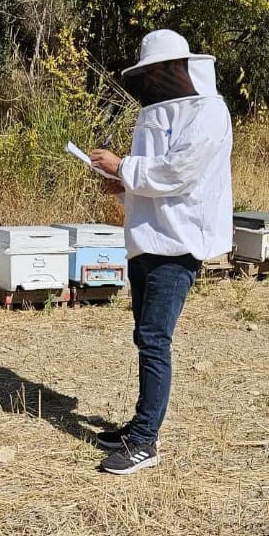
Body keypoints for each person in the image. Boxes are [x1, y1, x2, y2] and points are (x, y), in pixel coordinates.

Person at [88, 29, 233, 475]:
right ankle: (139, 426)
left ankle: (146, 442)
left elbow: (179, 174)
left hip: (179, 244)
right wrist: (121, 185)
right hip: (147, 242)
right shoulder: (157, 113)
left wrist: (123, 167)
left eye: (157, 71)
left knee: (154, 340)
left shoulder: (209, 112)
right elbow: (152, 182)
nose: (152, 81)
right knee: (144, 337)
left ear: (178, 68)